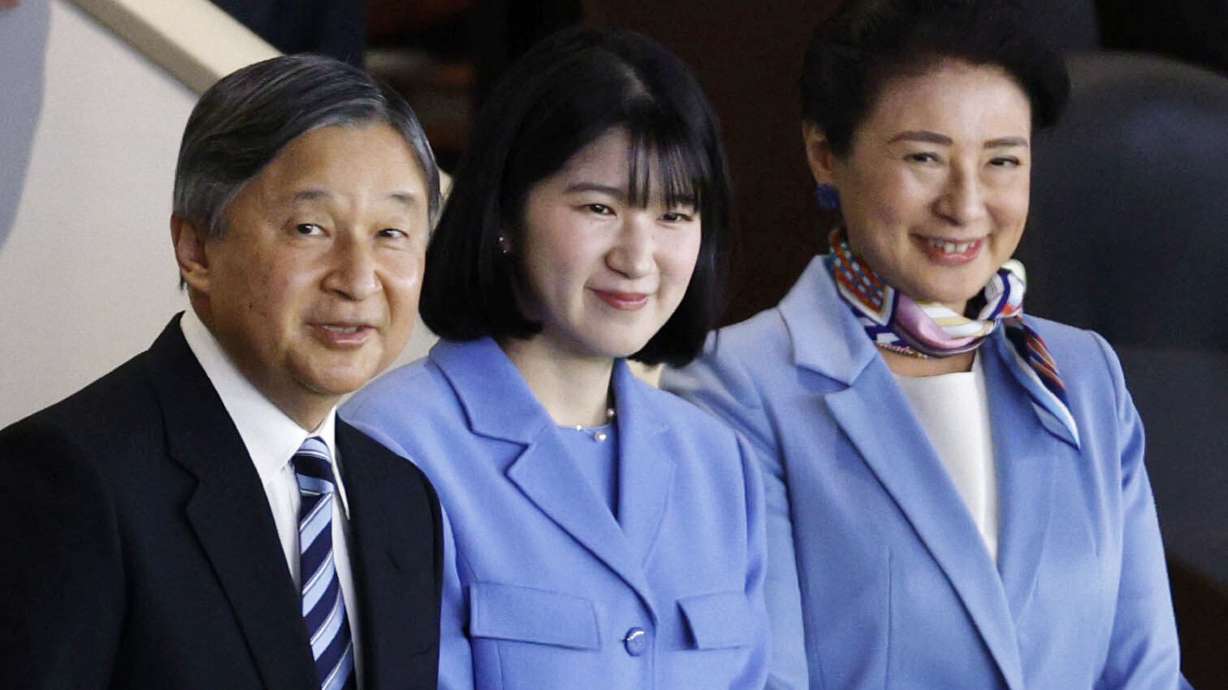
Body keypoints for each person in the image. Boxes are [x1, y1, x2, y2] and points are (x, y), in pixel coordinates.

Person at [663, 1, 1189, 688]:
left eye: (1002, 161)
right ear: (826, 155)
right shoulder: (734, 389)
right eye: (924, 158)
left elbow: (1147, 675)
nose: (966, 205)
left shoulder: (1083, 377)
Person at [343, 27, 770, 690]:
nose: (637, 257)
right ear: (506, 213)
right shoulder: (393, 445)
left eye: (675, 215)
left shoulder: (721, 464)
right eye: (600, 207)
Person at [0, 54, 444, 690]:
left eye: (392, 232)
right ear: (197, 248)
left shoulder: (401, 498)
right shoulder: (68, 479)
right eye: (310, 228)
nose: (357, 278)